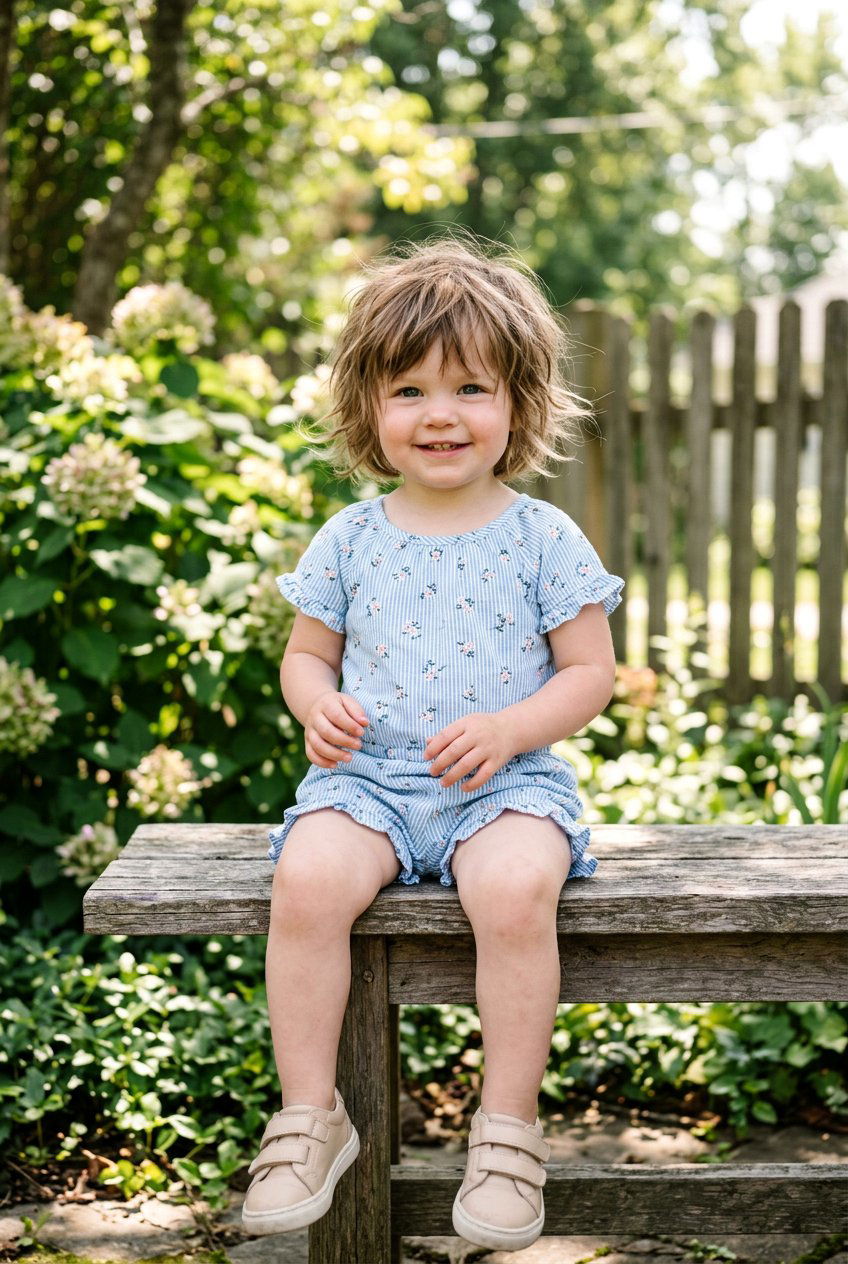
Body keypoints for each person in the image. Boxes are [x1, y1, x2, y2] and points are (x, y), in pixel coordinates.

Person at [242, 232, 625, 1252]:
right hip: (367, 783)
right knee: (308, 878)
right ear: (368, 407)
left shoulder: (541, 536)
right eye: (408, 389)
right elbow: (304, 655)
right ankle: (310, 1116)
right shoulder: (350, 537)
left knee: (509, 888)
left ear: (518, 403)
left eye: (469, 387)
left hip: (504, 786)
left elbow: (590, 672)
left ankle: (505, 1133)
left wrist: (509, 728)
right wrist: (312, 703)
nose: (440, 413)